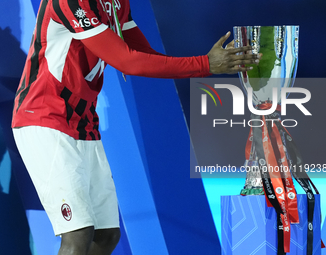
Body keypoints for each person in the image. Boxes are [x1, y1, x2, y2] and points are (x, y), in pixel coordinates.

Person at [11, 0, 261, 254]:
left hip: (83, 124)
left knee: (107, 235)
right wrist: (204, 64)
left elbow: (144, 53)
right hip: (44, 118)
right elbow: (127, 61)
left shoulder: (117, 2)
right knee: (78, 233)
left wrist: (206, 63)